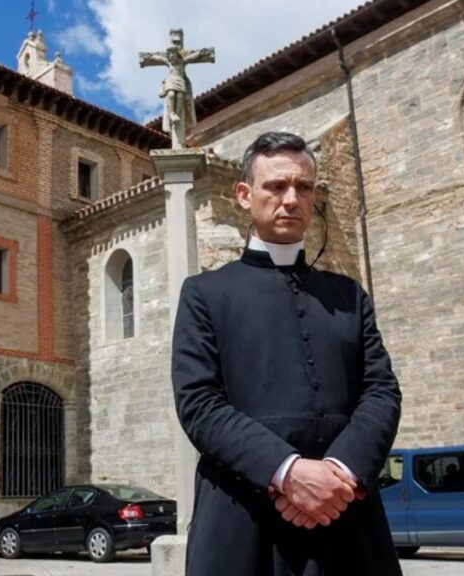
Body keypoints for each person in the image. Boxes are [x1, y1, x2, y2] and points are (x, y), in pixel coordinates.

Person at [171, 131, 403, 575]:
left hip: (346, 517)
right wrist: (288, 472)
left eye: (304, 187)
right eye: (276, 186)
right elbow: (198, 402)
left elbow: (381, 391)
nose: (291, 199)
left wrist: (341, 470)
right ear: (244, 194)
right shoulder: (205, 294)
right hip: (243, 519)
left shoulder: (348, 296)